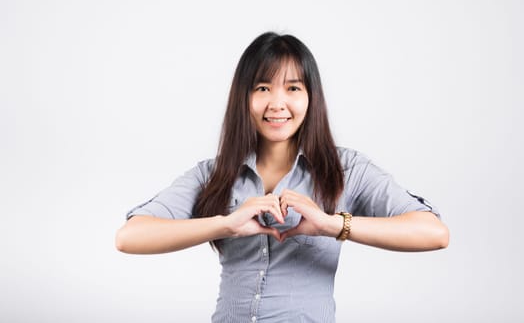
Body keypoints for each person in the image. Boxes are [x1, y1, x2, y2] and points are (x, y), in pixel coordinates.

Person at [116, 32, 449, 322]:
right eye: (263, 87)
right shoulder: (213, 174)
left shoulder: (347, 169)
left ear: (310, 97)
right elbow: (130, 237)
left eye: (292, 88)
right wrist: (226, 224)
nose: (277, 103)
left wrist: (331, 224)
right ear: (244, 98)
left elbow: (433, 233)